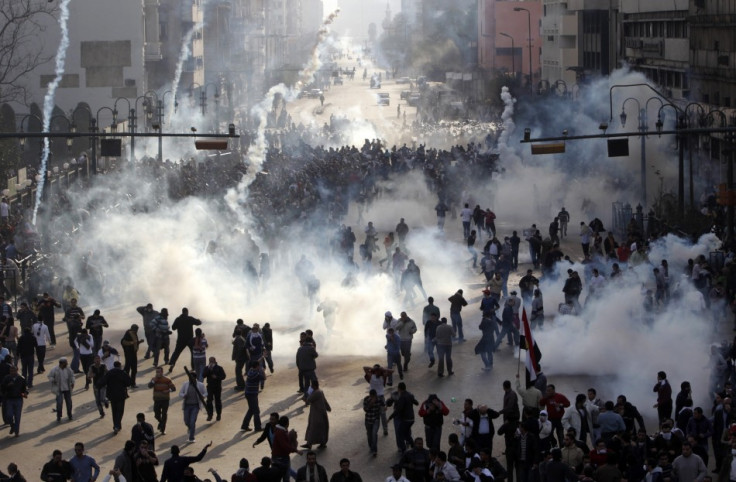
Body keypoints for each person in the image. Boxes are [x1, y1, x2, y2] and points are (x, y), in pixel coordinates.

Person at [387, 382, 418, 454]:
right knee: (406, 432)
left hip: (400, 416)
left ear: (399, 389)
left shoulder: (402, 396)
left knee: (399, 432)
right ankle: (409, 445)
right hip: (408, 418)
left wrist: (390, 417)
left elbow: (398, 410)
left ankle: (403, 448)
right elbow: (416, 402)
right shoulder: (409, 394)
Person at [104, 360, 133, 435]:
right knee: (120, 411)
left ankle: (116, 426)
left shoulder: (109, 373)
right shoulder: (122, 373)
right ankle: (117, 426)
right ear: (120, 366)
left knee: (114, 411)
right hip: (121, 395)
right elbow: (129, 382)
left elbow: (104, 382)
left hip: (112, 396)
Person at [168, 308, 202, 373]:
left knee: (177, 352)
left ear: (182, 312)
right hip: (190, 339)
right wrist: (198, 320)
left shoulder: (178, 319)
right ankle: (193, 367)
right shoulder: (190, 318)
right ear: (187, 312)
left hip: (181, 339)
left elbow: (173, 328)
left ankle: (172, 364)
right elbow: (198, 323)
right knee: (193, 353)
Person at [179, 370, 207, 442]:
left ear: (195, 378)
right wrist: (184, 395)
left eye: (192, 378)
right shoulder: (185, 384)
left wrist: (202, 396)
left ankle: (191, 437)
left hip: (195, 406)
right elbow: (180, 393)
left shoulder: (200, 385)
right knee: (186, 421)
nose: (190, 379)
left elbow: (205, 393)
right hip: (187, 405)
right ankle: (190, 428)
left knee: (192, 421)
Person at [271, 416, 301, 482]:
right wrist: (296, 450)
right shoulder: (281, 432)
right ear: (287, 423)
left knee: (277, 476)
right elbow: (285, 446)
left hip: (276, 457)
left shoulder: (278, 430)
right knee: (286, 477)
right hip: (282, 458)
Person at [0, 364, 27, 436]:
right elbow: (2, 389)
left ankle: (16, 432)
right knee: (9, 415)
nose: (12, 372)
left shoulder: (21, 379)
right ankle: (12, 426)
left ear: (17, 371)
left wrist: (25, 393)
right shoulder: (6, 378)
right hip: (9, 400)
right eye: (11, 371)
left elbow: (24, 389)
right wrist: (7, 386)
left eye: (14, 371)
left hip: (18, 399)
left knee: (17, 416)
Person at [303, 379, 331, 449]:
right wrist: (328, 407)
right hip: (319, 414)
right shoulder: (320, 391)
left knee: (313, 429)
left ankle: (310, 444)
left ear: (314, 386)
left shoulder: (316, 393)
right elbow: (324, 401)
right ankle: (313, 443)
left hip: (317, 415)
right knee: (320, 429)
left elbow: (308, 400)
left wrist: (308, 393)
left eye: (312, 386)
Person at [148, 365, 176, 434]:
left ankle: (163, 429)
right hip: (157, 399)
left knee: (164, 414)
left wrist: (168, 390)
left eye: (159, 372)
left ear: (162, 372)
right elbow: (149, 386)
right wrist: (153, 381)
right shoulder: (154, 379)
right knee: (156, 414)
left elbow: (173, 388)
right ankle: (161, 423)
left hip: (165, 399)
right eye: (156, 372)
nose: (157, 373)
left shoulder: (167, 379)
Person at [48, 357, 74, 422]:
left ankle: (70, 415)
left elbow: (72, 376)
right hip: (59, 389)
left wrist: (72, 382)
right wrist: (53, 380)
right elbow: (49, 376)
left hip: (67, 388)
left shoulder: (68, 369)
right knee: (59, 403)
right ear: (61, 363)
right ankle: (59, 416)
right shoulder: (55, 369)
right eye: (65, 363)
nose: (67, 364)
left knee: (69, 403)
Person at [242, 361, 266, 432]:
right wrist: (263, 370)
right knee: (256, 411)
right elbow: (264, 378)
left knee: (251, 410)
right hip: (252, 394)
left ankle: (245, 426)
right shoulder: (256, 374)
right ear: (257, 366)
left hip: (248, 393)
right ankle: (257, 427)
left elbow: (256, 363)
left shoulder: (250, 371)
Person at [202, 356, 225, 422]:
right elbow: (203, 375)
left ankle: (218, 414)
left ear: (215, 361)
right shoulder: (207, 368)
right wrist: (208, 370)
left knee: (217, 401)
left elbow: (223, 376)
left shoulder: (219, 368)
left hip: (217, 386)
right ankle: (210, 414)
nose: (211, 363)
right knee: (209, 401)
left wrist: (217, 377)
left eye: (212, 361)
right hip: (210, 387)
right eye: (210, 361)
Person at [363, 388, 384, 457]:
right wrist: (370, 404)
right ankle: (371, 446)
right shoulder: (366, 400)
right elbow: (365, 409)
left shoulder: (379, 400)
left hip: (376, 420)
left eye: (374, 396)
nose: (373, 398)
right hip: (368, 420)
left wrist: (384, 408)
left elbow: (383, 405)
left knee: (374, 434)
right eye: (372, 397)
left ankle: (375, 450)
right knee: (369, 435)